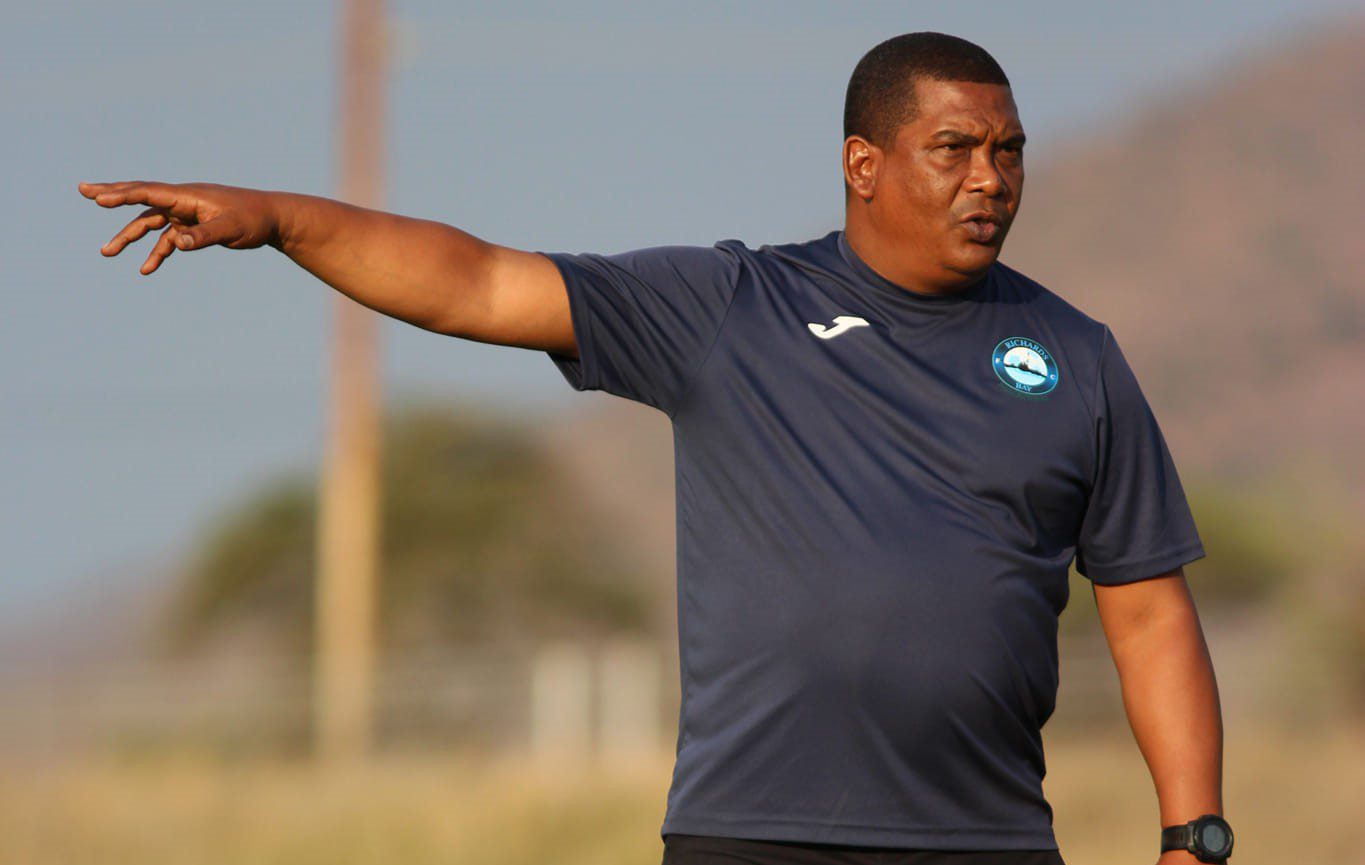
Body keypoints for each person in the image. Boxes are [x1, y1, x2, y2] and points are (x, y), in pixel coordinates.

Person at [77, 30, 1231, 865]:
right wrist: (281, 220)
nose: (991, 178)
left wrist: (1195, 834)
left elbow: (1147, 613)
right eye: (955, 148)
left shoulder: (1072, 354)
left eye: (1009, 150)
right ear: (863, 163)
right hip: (752, 832)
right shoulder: (734, 306)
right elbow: (475, 281)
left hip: (985, 839)